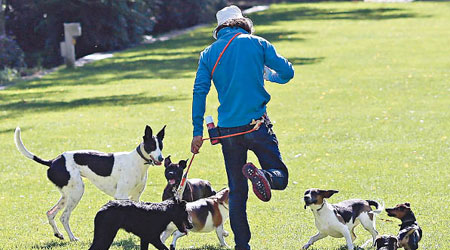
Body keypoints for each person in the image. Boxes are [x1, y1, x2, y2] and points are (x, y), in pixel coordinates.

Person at [191, 5, 294, 250]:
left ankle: (241, 245)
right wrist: (267, 74)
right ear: (242, 23)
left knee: (237, 191)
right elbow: (287, 73)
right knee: (280, 177)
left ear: (220, 28)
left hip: (227, 132)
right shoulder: (258, 44)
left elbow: (199, 92)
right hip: (256, 125)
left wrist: (197, 131)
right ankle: (266, 175)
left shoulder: (208, 54)